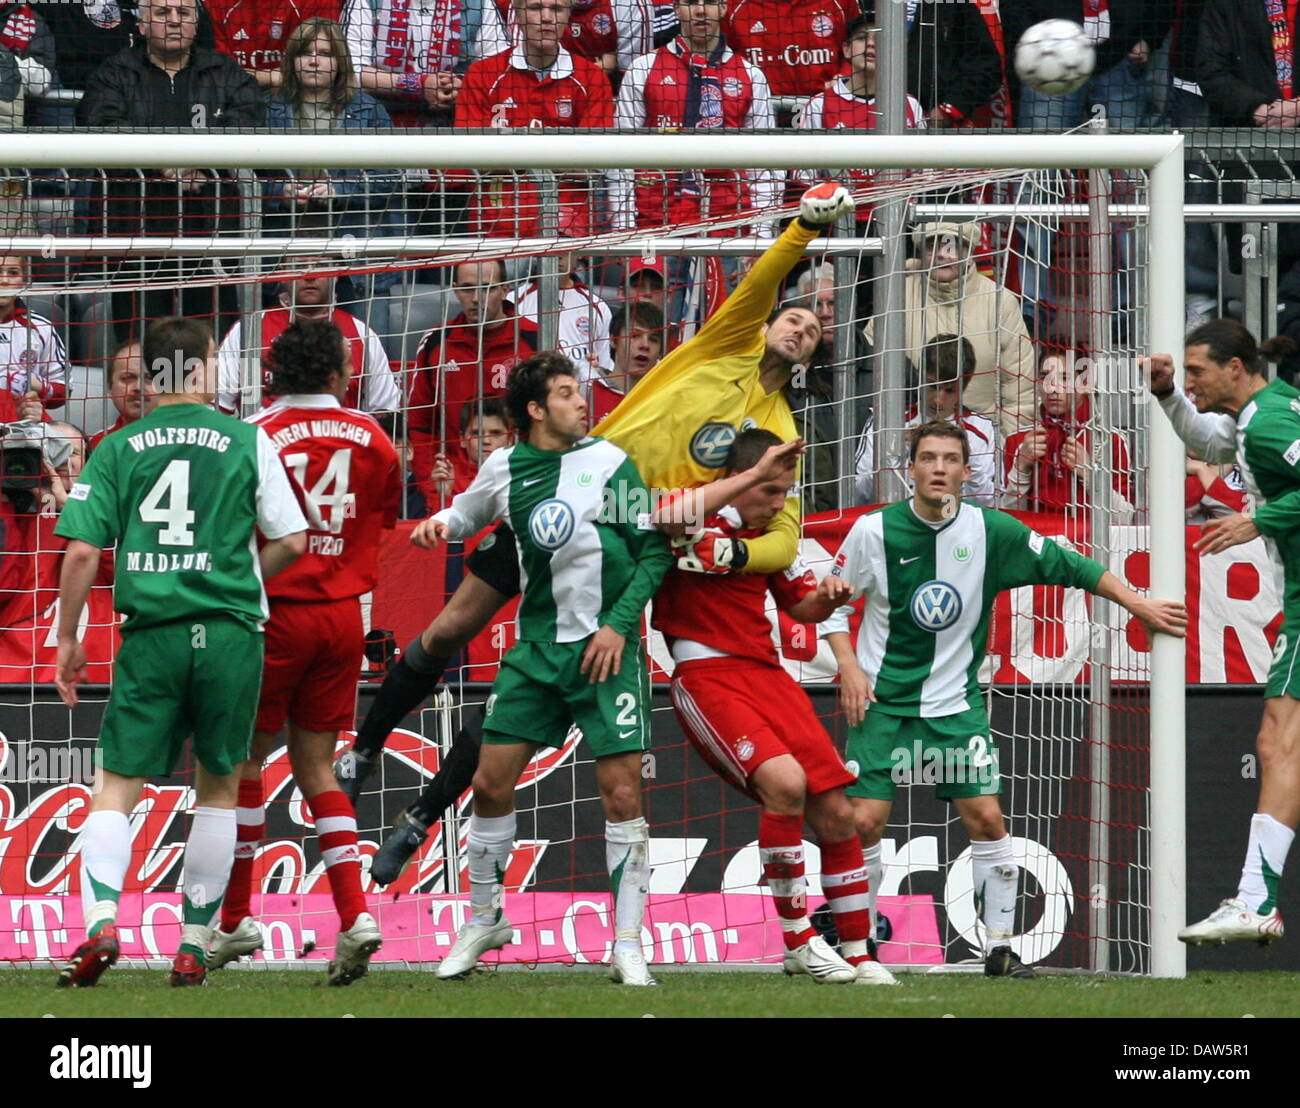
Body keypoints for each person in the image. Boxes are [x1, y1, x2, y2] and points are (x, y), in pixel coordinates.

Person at [335, 182, 853, 801]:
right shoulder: (724, 346)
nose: (800, 328)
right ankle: (366, 745)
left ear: (814, 357)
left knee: (542, 679)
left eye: (813, 330)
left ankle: (423, 813)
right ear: (767, 327)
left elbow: (786, 536)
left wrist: (735, 553)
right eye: (791, 318)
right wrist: (801, 230)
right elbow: (761, 282)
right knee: (451, 627)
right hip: (562, 490)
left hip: (628, 536)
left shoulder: (779, 430)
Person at [823, 421, 1186, 977]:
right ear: (910, 469)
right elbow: (833, 604)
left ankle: (999, 947)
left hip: (955, 707)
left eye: (950, 459)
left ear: (968, 472)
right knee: (865, 822)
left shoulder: (993, 530)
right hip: (883, 705)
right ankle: (859, 939)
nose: (939, 468)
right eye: (928, 458)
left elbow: (1075, 566)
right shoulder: (873, 532)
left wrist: (1139, 605)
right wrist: (847, 666)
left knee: (988, 819)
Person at [51, 315, 308, 988]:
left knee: (117, 784)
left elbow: (81, 550)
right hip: (228, 633)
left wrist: (68, 637)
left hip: (151, 633)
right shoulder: (248, 441)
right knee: (219, 786)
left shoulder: (117, 446)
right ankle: (194, 940)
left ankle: (103, 921)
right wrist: (240, 575)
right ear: (196, 370)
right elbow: (293, 540)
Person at [411, 351, 673, 985]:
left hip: (607, 653)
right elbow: (468, 515)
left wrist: (617, 626)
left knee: (621, 793)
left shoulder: (610, 462)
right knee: (491, 782)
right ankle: (485, 918)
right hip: (535, 654)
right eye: (565, 393)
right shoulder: (506, 466)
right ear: (535, 409)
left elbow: (654, 551)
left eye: (578, 391)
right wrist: (438, 522)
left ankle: (628, 942)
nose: (581, 402)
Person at [655, 428, 897, 985]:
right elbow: (666, 520)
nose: (781, 502)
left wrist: (829, 597)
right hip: (706, 674)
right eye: (772, 489)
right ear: (743, 478)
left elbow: (803, 608)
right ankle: (796, 940)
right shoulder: (690, 513)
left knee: (839, 813)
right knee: (786, 784)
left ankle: (857, 951)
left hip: (766, 674)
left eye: (788, 491)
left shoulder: (769, 536)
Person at [205, 319, 400, 984]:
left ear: (275, 371)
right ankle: (356, 917)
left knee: (243, 761)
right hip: (343, 616)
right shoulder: (376, 439)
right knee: (319, 767)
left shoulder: (253, 432)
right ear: (337, 372)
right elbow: (382, 520)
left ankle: (232, 921)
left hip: (273, 612)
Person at [1145, 321, 1300, 945]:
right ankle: (1256, 898)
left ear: (1236, 368)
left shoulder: (1269, 423)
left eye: (1197, 373)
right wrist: (1167, 398)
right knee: (1278, 741)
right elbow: (1212, 444)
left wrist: (1256, 520)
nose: (1192, 382)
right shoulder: (1260, 412)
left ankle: (1257, 899)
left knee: (1276, 741)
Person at [76, 0, 265, 343]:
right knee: (141, 339)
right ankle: (151, 397)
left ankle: (207, 397)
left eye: (184, 14)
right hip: (138, 230)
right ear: (142, 25)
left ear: (196, 24)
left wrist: (197, 162)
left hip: (209, 228)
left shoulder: (225, 72)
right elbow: (99, 122)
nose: (174, 22)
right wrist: (166, 165)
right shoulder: (115, 72)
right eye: (162, 14)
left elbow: (249, 118)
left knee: (213, 339)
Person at [611, 0, 779, 249]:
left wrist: (761, 234)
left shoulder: (751, 75)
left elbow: (766, 165)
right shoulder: (642, 69)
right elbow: (620, 156)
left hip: (728, 225)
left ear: (724, 8)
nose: (701, 10)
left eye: (710, 2)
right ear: (676, 8)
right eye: (691, 3)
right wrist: (623, 228)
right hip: (654, 225)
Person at [456, 0, 613, 241]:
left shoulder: (592, 78)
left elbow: (593, 165)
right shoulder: (482, 74)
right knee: (474, 275)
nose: (547, 17)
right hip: (496, 225)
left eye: (557, 9)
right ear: (517, 14)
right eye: (536, 8)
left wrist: (511, 154)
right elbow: (471, 159)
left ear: (568, 16)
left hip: (567, 229)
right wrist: (559, 156)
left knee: (560, 269)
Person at [863, 222, 1036, 438]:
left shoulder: (1001, 301)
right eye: (932, 246)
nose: (942, 254)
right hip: (907, 447)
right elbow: (868, 374)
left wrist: (999, 451)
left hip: (983, 449)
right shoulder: (897, 297)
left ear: (968, 252)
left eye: (952, 246)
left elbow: (1021, 390)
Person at [407, 258, 537, 509]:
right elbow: (420, 422)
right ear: (455, 289)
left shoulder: (535, 340)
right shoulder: (437, 342)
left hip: (518, 486)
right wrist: (431, 485)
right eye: (467, 288)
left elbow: (549, 423)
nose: (476, 298)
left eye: (487, 287)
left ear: (505, 289)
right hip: (450, 488)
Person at [263, 18, 398, 249]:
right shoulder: (266, 109)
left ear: (340, 62)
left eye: (325, 54)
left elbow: (389, 176)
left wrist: (339, 190)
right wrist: (280, 191)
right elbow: (243, 177)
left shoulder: (368, 109)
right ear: (292, 60)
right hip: (282, 242)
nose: (314, 62)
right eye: (305, 53)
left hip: (352, 240)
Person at [216, 254, 401, 419]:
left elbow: (384, 412)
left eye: (320, 266)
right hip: (264, 449)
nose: (310, 276)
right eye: (299, 266)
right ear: (282, 273)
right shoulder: (248, 330)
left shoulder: (361, 333)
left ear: (337, 273)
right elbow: (218, 405)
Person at [793, 14, 925, 232]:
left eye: (879, 39)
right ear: (846, 49)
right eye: (862, 38)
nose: (871, 45)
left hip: (898, 223)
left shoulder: (908, 104)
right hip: (837, 226)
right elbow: (804, 175)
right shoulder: (818, 104)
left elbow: (923, 171)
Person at [1002, 347, 1134, 521]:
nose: (1052, 388)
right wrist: (1022, 470)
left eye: (1065, 378)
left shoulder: (1111, 440)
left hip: (1088, 546)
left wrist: (1089, 476)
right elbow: (1008, 519)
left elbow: (1126, 520)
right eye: (1044, 378)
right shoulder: (1019, 441)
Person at [340, 0, 487, 126]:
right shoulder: (366, 2)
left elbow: (495, 69)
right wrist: (418, 84)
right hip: (377, 117)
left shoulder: (479, 4)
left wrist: (453, 86)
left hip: (456, 119)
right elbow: (349, 71)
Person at [905, 334, 997, 508]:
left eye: (949, 390)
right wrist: (900, 452)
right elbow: (860, 495)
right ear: (919, 376)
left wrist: (971, 458)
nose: (938, 400)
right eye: (932, 386)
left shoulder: (982, 430)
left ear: (964, 387)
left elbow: (990, 503)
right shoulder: (887, 424)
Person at [508, 254, 614, 377]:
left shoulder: (598, 306)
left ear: (578, 253)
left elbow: (604, 366)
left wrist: (598, 369)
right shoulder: (512, 301)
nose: (558, 255)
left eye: (564, 242)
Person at [206, 0, 338, 89]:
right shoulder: (216, 3)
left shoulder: (318, 2)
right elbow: (219, 73)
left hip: (293, 93)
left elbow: (322, 66)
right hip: (233, 93)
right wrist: (273, 77)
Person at [0, 254, 67, 415]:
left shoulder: (40, 327)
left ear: (23, 280)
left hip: (24, 426)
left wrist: (37, 385)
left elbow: (63, 389)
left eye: (13, 273)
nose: (4, 280)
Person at [585, 301, 663, 422]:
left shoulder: (665, 401)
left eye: (653, 339)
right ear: (613, 340)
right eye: (635, 335)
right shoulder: (586, 391)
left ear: (661, 352)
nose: (645, 345)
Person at [430, 397, 513, 499]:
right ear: (462, 439)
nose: (486, 441)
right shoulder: (446, 478)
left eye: (495, 433)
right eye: (477, 433)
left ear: (510, 440)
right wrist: (445, 494)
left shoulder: (520, 476)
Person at [87, 339, 155, 454]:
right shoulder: (97, 444)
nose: (138, 387)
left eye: (149, 378)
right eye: (127, 378)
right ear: (109, 386)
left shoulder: (187, 439)